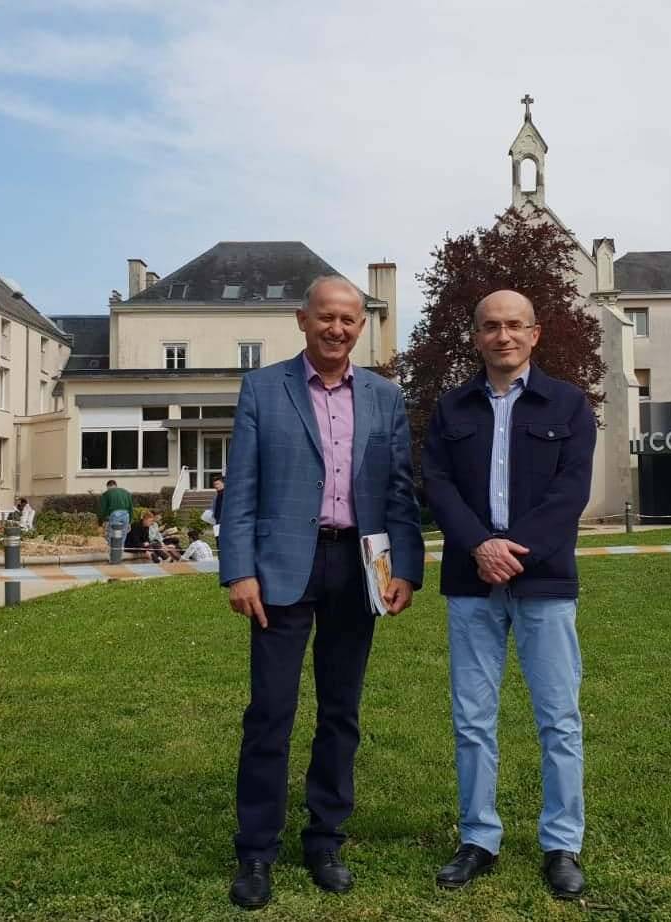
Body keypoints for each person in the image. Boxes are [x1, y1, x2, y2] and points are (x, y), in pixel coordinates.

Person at [219, 274, 425, 910]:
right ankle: (257, 850)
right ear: (302, 319)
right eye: (327, 317)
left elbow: (399, 489)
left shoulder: (386, 397)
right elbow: (242, 486)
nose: (338, 329)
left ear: (361, 327)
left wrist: (405, 569)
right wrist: (238, 570)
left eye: (349, 320)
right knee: (270, 712)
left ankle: (325, 839)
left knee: (341, 711)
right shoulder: (262, 388)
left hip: (358, 567)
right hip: (282, 567)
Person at [421, 289, 596, 899]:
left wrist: (512, 551)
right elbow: (438, 484)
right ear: (476, 336)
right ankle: (478, 837)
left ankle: (562, 843)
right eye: (491, 326)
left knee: (559, 718)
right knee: (472, 718)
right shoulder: (451, 407)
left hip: (543, 580)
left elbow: (570, 493)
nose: (504, 336)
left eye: (515, 325)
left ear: (534, 333)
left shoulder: (569, 404)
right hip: (471, 582)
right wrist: (479, 546)